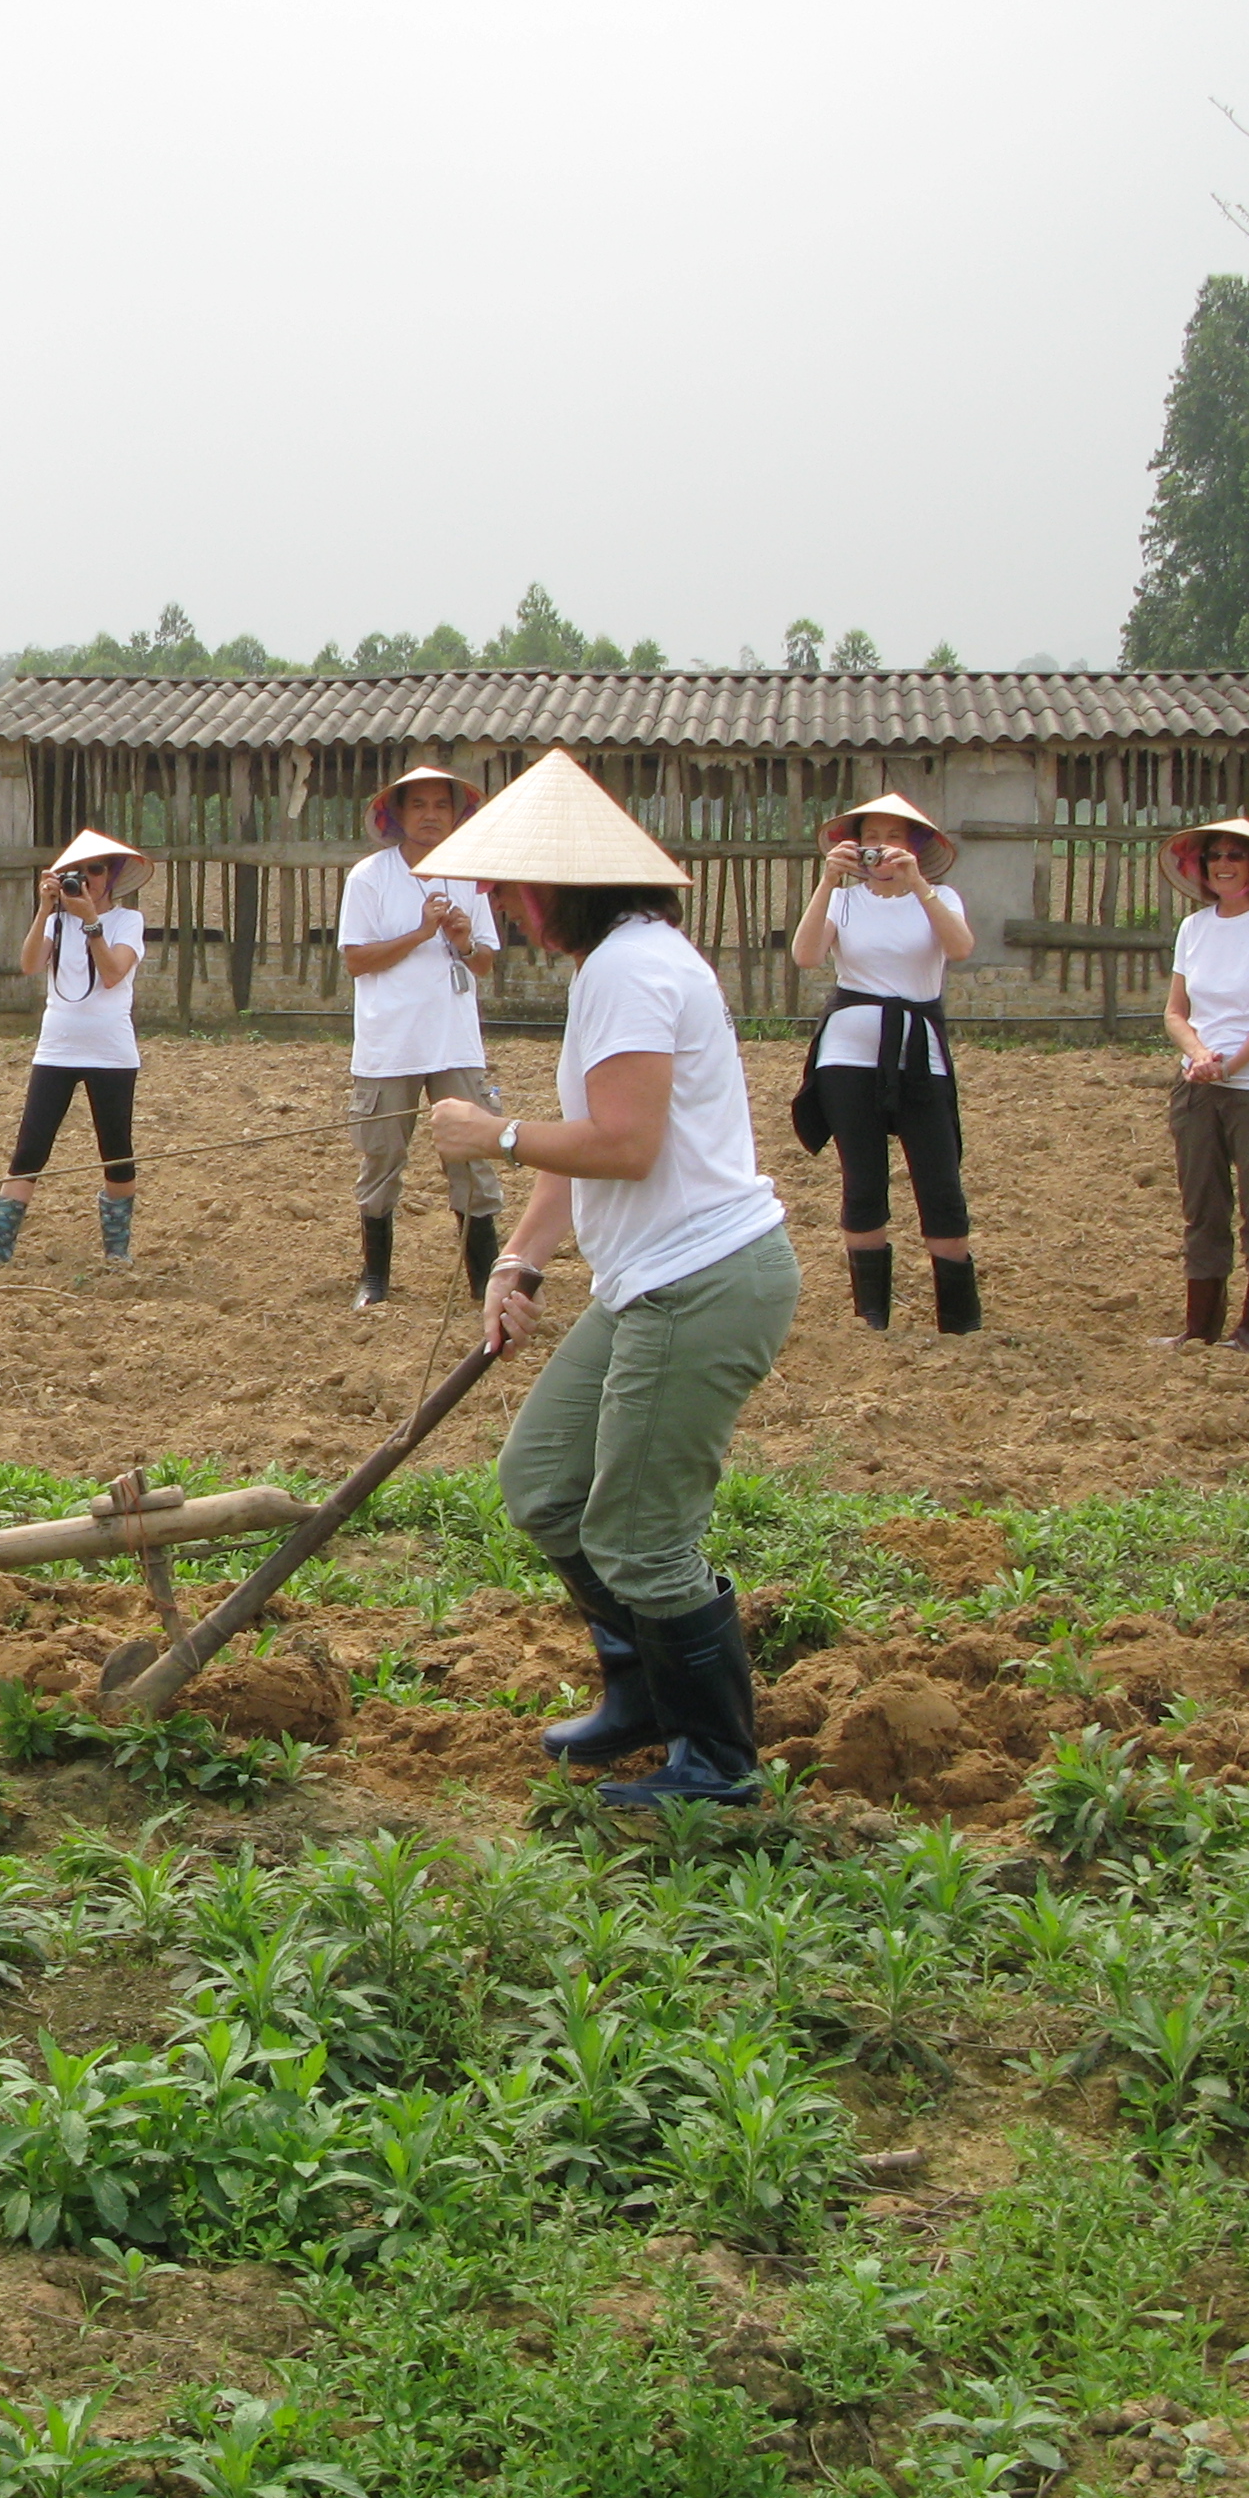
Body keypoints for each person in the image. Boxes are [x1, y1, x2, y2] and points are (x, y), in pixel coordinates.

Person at [420, 750, 799, 1809]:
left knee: (639, 1535)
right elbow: (586, 1146)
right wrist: (520, 1258)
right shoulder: (615, 969)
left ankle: (719, 1762)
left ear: (570, 888)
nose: (506, 906)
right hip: (650, 1280)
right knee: (545, 1482)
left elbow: (625, 1145)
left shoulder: (636, 970)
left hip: (705, 1279)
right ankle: (640, 1697)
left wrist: (489, 1131)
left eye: (518, 886)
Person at [785, 793, 980, 1333]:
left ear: (916, 847)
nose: (881, 849)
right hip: (848, 1055)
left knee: (939, 1178)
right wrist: (827, 883)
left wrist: (917, 886)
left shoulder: (941, 897)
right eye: (871, 838)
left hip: (920, 1051)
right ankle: (870, 1315)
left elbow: (960, 948)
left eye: (894, 838)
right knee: (862, 1179)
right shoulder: (844, 903)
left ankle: (959, 1320)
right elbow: (806, 955)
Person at [340, 764, 503, 1310]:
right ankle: (374, 1277)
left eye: (441, 806)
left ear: (457, 815)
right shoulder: (369, 876)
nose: (431, 815)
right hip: (389, 1046)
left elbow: (483, 965)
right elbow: (357, 960)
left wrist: (460, 938)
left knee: (471, 1158)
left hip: (454, 1043)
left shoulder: (471, 877)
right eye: (419, 806)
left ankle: (482, 1280)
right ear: (397, 815)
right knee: (382, 1157)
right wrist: (420, 933)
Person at [0, 830, 149, 1270]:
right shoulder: (57, 921)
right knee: (29, 1149)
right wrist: (46, 909)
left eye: (97, 870)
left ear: (113, 876)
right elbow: (28, 964)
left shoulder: (127, 922)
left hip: (111, 1054)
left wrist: (91, 923)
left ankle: (117, 1251)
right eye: (77, 873)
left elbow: (114, 973)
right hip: (56, 1050)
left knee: (116, 1150)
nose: (88, 880)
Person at [1156, 816, 1249, 1354]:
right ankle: (1200, 1328)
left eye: (1235, 856)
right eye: (1214, 855)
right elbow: (1176, 1011)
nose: (1222, 864)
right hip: (1197, 1085)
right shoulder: (1193, 929)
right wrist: (1199, 1056)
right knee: (1203, 1206)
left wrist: (1232, 1063)